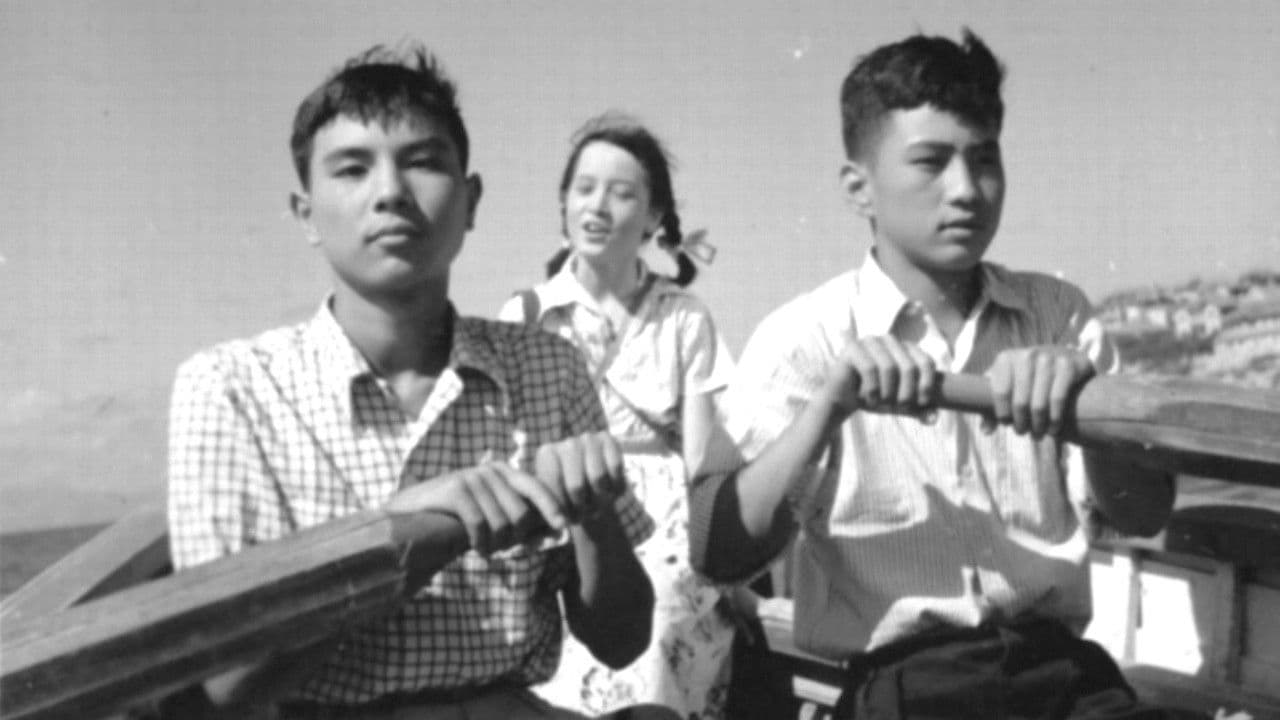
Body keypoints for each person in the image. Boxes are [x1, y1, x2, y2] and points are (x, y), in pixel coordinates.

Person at [687, 29, 1176, 719]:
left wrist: (1087, 407)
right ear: (859, 188)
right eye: (931, 162)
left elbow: (1145, 513)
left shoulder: (1058, 317)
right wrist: (829, 407)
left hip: (1065, 677)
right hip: (907, 688)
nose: (967, 190)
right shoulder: (804, 339)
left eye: (984, 160)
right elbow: (715, 549)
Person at [166, 45, 656, 720]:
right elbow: (232, 682)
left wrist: (595, 514)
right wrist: (405, 535)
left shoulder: (548, 366)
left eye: (423, 162)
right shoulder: (231, 387)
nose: (391, 192)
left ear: (471, 199)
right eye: (352, 169)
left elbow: (624, 642)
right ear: (305, 212)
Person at [498, 114, 747, 720]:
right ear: (563, 204)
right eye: (584, 189)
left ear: (655, 218)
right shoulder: (528, 312)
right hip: (564, 513)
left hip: (662, 526)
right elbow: (512, 447)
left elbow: (699, 459)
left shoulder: (684, 315)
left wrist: (728, 565)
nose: (598, 206)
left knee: (662, 632)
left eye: (621, 192)